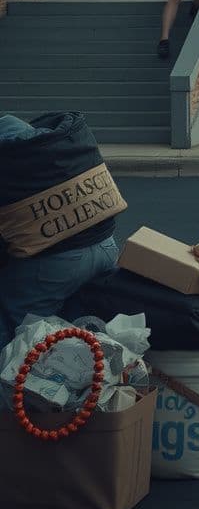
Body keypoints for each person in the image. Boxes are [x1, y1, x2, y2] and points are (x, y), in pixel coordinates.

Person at [0, 112, 123, 347]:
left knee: (21, 330)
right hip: (106, 246)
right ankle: (90, 365)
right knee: (73, 318)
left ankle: (18, 376)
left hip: (54, 265)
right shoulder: (58, 150)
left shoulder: (8, 166)